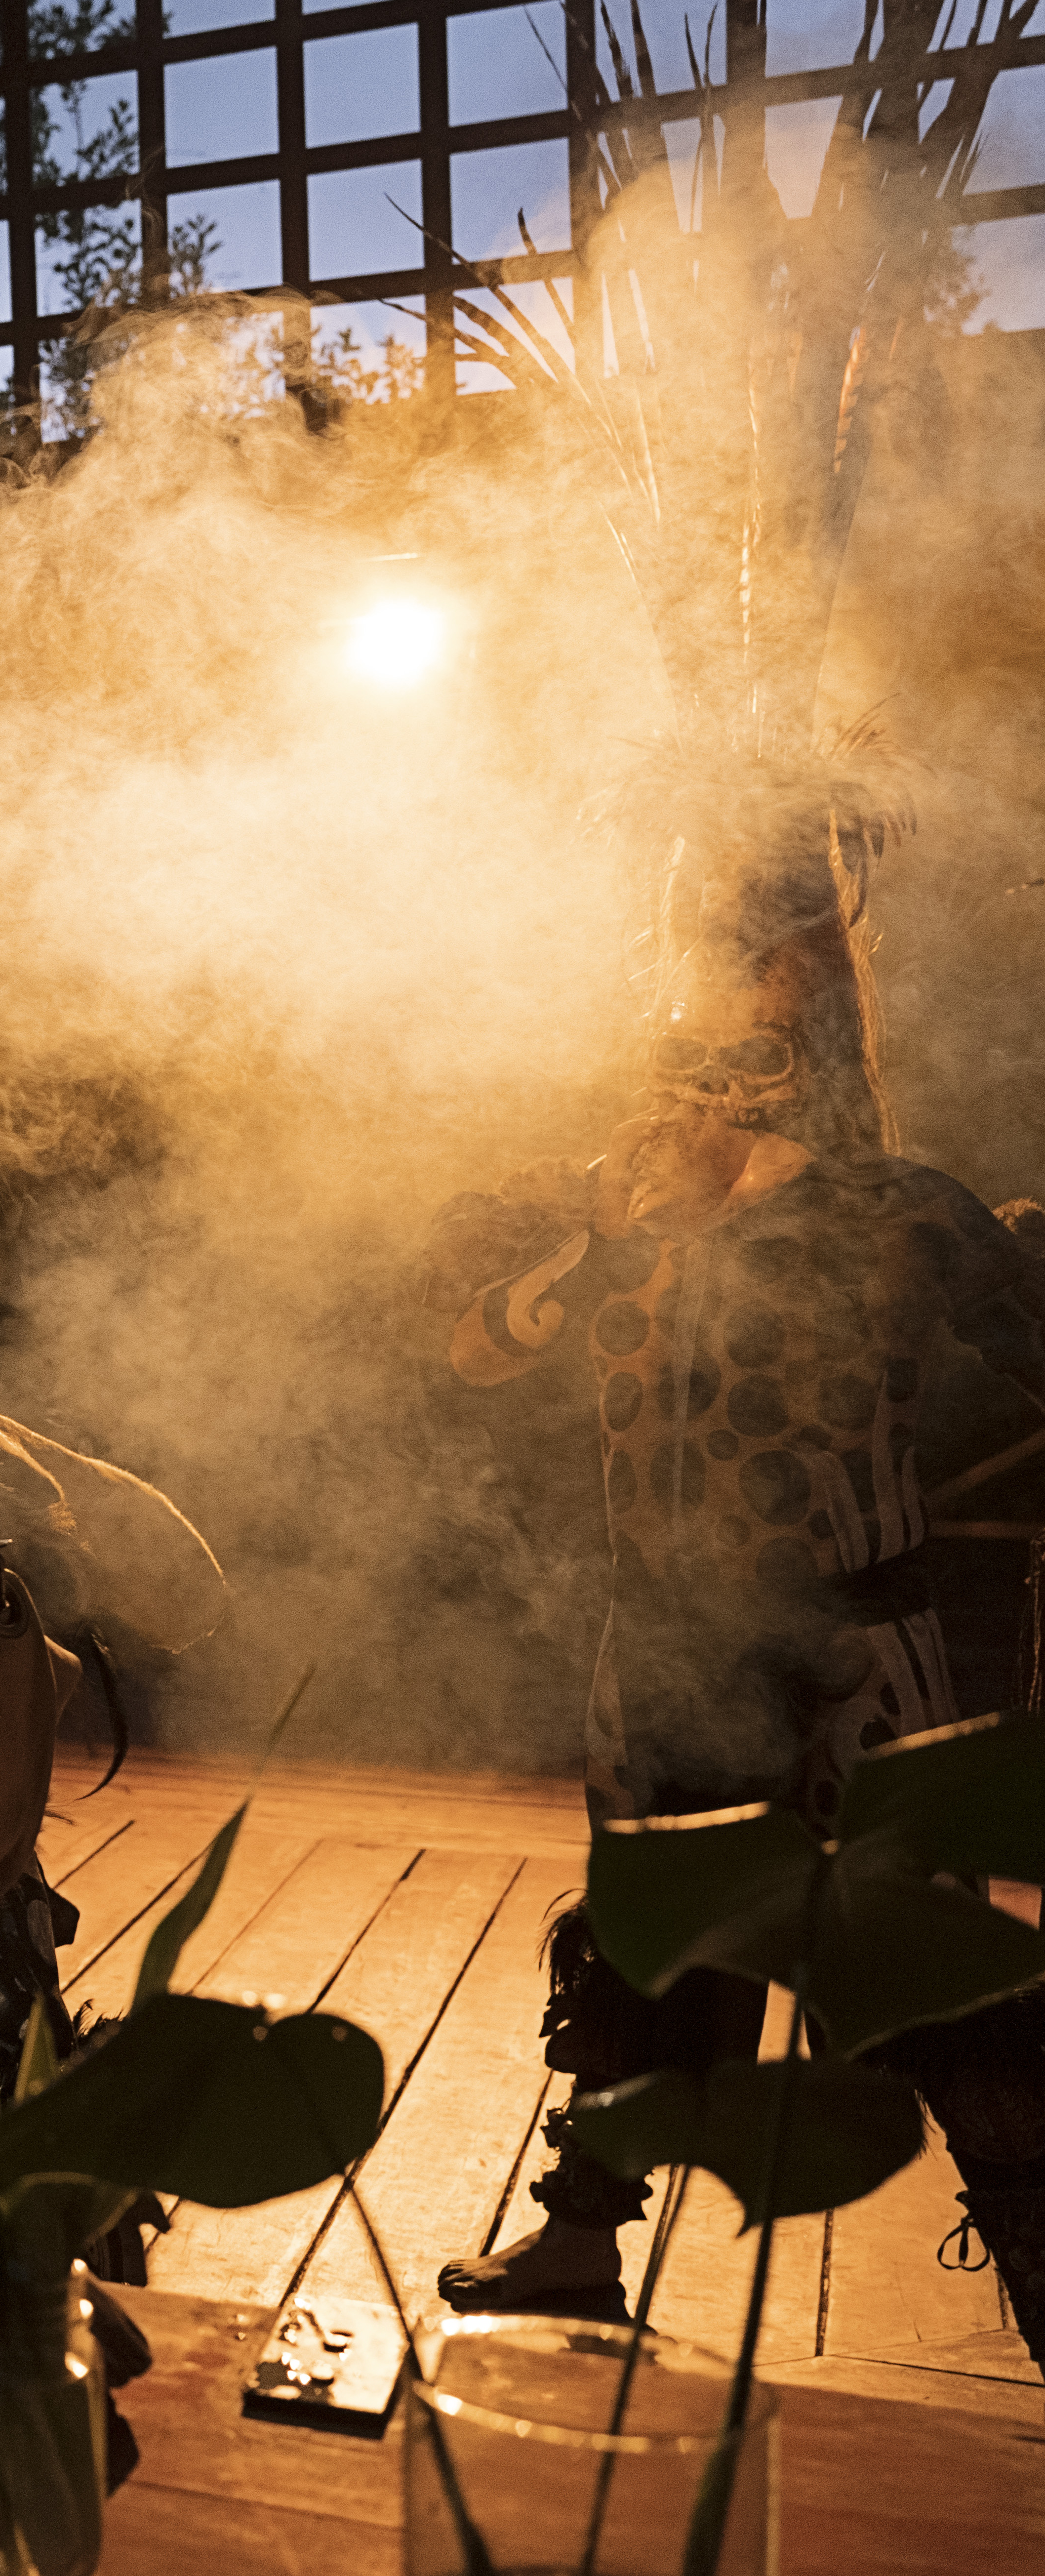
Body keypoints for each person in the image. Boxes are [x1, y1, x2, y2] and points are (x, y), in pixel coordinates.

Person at [434, 859, 1045, 2329]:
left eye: (741, 1058)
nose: (701, 1091)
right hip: (663, 1647)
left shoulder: (902, 1213)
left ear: (807, 1067)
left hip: (850, 1646)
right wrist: (597, 1226)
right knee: (639, 1945)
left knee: (922, 1971)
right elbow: (479, 1356)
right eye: (682, 1054)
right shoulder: (616, 1210)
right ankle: (581, 2244)